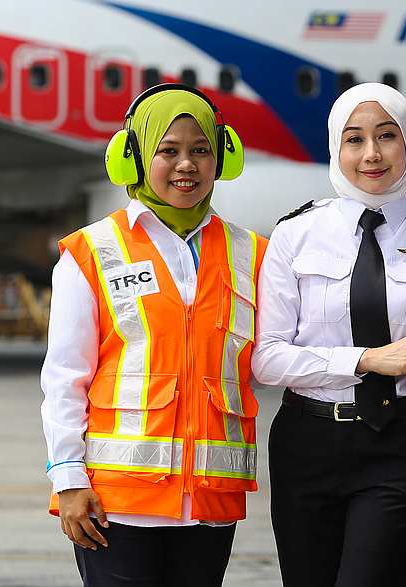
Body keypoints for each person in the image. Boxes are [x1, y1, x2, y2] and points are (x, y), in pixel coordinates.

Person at [253, 83, 406, 587]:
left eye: (387, 136)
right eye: (354, 139)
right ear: (335, 147)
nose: (371, 154)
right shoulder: (295, 234)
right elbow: (268, 358)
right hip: (307, 442)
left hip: (402, 445)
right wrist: (365, 359)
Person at [40, 84, 266, 587]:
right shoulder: (91, 252)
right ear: (134, 158)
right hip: (117, 504)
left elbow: (276, 357)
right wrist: (68, 478)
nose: (186, 165)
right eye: (168, 151)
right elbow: (65, 378)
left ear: (222, 157)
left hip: (209, 504)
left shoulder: (253, 253)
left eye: (200, 150)